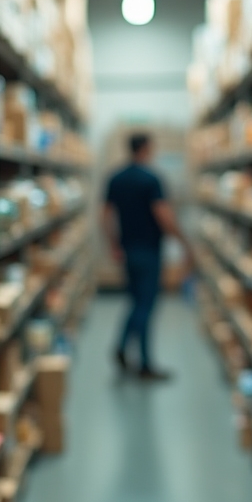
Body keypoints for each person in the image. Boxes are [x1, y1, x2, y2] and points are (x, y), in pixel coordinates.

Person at [103, 132, 188, 379]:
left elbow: (105, 214)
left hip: (128, 249)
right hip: (149, 251)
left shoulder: (115, 178)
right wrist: (183, 240)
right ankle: (139, 360)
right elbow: (163, 214)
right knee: (146, 306)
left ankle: (130, 354)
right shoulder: (152, 179)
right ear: (146, 149)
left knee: (136, 302)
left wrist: (113, 244)